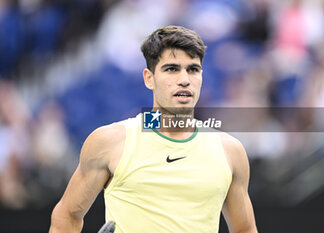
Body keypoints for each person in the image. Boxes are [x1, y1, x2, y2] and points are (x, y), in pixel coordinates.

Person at [49, 25, 258, 233]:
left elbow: (245, 229)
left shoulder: (230, 151)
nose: (184, 80)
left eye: (193, 69)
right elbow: (66, 216)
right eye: (172, 69)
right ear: (149, 78)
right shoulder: (110, 142)